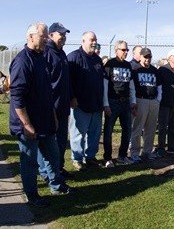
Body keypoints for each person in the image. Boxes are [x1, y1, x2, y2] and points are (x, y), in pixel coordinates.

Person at [9, 23, 76, 207]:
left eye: (47, 36)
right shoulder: (23, 61)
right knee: (30, 161)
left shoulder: (41, 58)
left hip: (46, 118)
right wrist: (26, 124)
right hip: (29, 122)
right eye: (43, 36)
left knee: (53, 154)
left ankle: (56, 184)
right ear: (31, 37)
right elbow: (17, 96)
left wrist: (53, 116)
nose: (46, 39)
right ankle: (32, 195)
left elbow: (47, 91)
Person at [37, 22, 74, 181]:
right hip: (50, 107)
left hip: (63, 105)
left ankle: (58, 167)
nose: (64, 37)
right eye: (61, 34)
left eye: (65, 34)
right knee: (47, 142)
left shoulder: (62, 53)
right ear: (51, 35)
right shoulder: (46, 53)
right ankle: (45, 172)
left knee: (60, 140)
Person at [67, 31, 104, 171]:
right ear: (83, 40)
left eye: (95, 40)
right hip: (80, 104)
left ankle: (90, 157)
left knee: (94, 134)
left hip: (96, 104)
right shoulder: (73, 57)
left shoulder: (97, 59)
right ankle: (77, 159)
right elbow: (68, 81)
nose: (94, 42)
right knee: (78, 134)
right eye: (91, 40)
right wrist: (72, 97)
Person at [103, 40, 137, 168]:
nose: (126, 52)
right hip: (112, 101)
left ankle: (122, 156)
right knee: (108, 131)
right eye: (123, 50)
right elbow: (105, 86)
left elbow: (131, 85)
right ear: (116, 50)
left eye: (127, 50)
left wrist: (133, 102)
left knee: (127, 130)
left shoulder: (128, 66)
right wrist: (105, 104)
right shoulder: (110, 64)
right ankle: (108, 158)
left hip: (125, 102)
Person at [130, 48, 161, 162]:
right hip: (140, 100)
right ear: (140, 57)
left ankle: (147, 151)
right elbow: (132, 87)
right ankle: (134, 152)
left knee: (151, 128)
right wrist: (133, 101)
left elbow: (159, 86)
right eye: (145, 57)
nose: (147, 59)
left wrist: (158, 99)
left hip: (153, 101)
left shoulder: (154, 70)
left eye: (149, 57)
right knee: (137, 128)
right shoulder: (135, 69)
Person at [156, 50, 174, 157]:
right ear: (169, 58)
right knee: (163, 127)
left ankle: (172, 147)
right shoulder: (163, 70)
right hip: (164, 103)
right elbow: (158, 86)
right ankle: (160, 148)